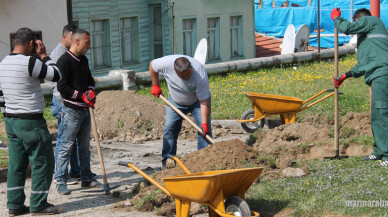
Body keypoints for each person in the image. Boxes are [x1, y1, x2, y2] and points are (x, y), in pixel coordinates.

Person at [0, 27, 63, 215]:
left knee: (17, 164)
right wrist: (44, 55)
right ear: (31, 44)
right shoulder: (29, 62)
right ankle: (39, 204)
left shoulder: (3, 63)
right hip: (30, 121)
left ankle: (15, 205)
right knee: (43, 161)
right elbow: (56, 75)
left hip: (11, 121)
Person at [331, 8, 388, 168]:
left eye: (356, 23)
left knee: (382, 114)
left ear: (358, 20)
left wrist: (337, 19)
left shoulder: (372, 20)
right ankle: (378, 152)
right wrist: (344, 76)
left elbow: (347, 28)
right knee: (376, 115)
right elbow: (363, 65)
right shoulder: (370, 40)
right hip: (378, 75)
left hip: (382, 75)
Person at [55, 28, 99, 195]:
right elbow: (62, 87)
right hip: (71, 111)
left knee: (84, 147)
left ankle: (86, 178)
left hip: (85, 111)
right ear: (77, 41)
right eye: (87, 43)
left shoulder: (83, 60)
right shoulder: (64, 61)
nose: (89, 46)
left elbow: (90, 80)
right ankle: (60, 180)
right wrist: (81, 96)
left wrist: (90, 91)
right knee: (66, 146)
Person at [149, 55, 212, 168]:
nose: (186, 77)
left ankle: (204, 163)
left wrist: (204, 124)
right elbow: (152, 65)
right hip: (175, 101)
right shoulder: (165, 64)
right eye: (182, 75)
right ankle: (168, 161)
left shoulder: (200, 74)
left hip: (198, 102)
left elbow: (204, 102)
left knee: (204, 131)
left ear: (191, 67)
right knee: (169, 128)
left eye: (188, 73)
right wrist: (155, 85)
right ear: (175, 71)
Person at [50, 24, 82, 184]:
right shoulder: (58, 55)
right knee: (64, 139)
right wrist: (66, 103)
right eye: (72, 38)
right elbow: (58, 85)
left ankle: (76, 171)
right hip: (62, 102)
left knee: (73, 138)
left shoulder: (72, 54)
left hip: (70, 102)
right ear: (65, 37)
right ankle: (60, 175)